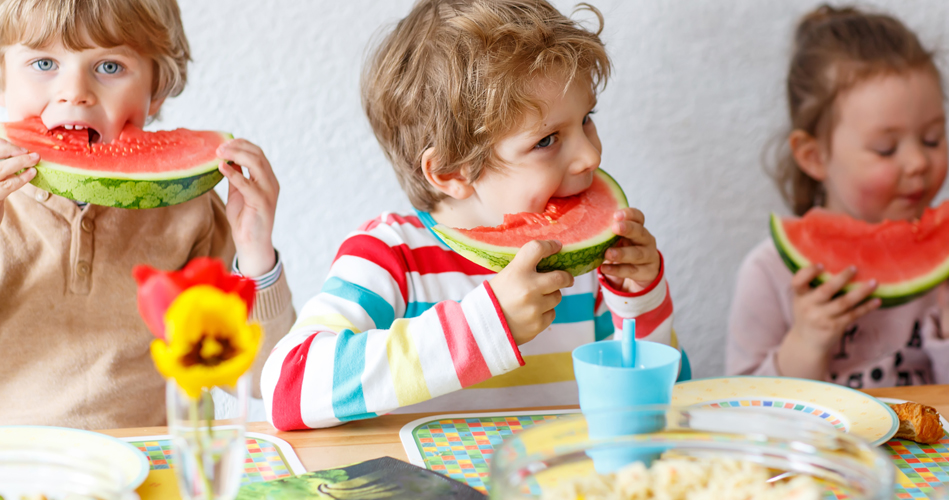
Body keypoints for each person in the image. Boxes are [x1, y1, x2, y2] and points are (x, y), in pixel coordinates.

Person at [262, 0, 677, 430]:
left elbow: (658, 406)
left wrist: (640, 300)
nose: (591, 155)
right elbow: (288, 387)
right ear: (451, 172)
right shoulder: (391, 257)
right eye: (547, 140)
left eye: (587, 119)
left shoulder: (587, 265)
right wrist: (482, 329)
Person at [0, 0, 293, 429]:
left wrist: (255, 253)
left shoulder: (188, 211)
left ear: (155, 88)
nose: (74, 91)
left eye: (110, 67)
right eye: (44, 62)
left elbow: (257, 378)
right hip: (18, 463)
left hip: (157, 460)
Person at [727, 4, 949, 388]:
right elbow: (744, 409)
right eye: (885, 148)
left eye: (932, 138)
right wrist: (805, 345)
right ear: (814, 157)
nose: (917, 162)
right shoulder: (768, 275)